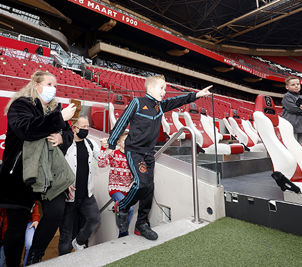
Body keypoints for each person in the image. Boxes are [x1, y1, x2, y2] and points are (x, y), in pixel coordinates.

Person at [108, 75, 212, 240]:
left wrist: (196, 95)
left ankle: (141, 224)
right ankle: (123, 205)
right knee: (141, 183)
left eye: (165, 88)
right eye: (161, 88)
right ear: (150, 88)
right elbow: (122, 121)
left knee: (149, 188)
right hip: (134, 151)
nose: (164, 91)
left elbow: (179, 100)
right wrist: (112, 143)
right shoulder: (137, 102)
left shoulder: (160, 106)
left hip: (149, 153)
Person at [0, 70, 76, 266]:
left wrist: (62, 138)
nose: (53, 89)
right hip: (20, 176)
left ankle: (35, 255)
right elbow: (27, 129)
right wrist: (59, 118)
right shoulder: (21, 105)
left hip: (49, 175)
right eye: (49, 84)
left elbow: (68, 136)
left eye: (55, 86)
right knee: (16, 229)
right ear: (35, 84)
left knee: (56, 212)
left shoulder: (53, 111)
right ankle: (12, 263)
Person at [58, 116, 101, 255]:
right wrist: (63, 183)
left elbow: (100, 162)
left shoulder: (91, 144)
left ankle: (80, 242)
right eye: (84, 127)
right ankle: (62, 260)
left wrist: (107, 149)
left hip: (86, 195)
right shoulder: (64, 145)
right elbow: (56, 167)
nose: (86, 129)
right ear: (74, 128)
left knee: (94, 218)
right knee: (66, 236)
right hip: (68, 198)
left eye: (88, 126)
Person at [98, 132, 134, 238]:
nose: (127, 142)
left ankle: (121, 236)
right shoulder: (114, 153)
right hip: (115, 188)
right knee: (129, 208)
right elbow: (101, 164)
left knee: (127, 210)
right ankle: (124, 234)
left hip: (127, 189)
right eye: (124, 140)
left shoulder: (132, 156)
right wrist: (103, 148)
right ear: (118, 142)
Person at [281, 76, 302, 144]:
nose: (296, 86)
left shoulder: (301, 97)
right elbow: (292, 109)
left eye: (298, 84)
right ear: (287, 87)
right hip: (292, 125)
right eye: (293, 85)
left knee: (299, 145)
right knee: (293, 145)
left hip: (301, 125)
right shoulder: (287, 96)